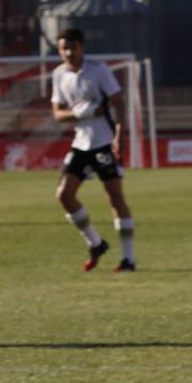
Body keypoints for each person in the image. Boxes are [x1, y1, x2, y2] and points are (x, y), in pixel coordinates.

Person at [49, 28, 136, 272]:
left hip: (105, 141)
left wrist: (120, 135)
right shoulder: (58, 74)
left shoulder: (99, 70)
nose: (68, 52)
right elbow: (57, 114)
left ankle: (128, 259)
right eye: (63, 48)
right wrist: (79, 113)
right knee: (64, 195)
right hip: (81, 143)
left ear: (82, 47)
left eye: (72, 47)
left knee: (115, 198)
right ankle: (95, 244)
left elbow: (118, 102)